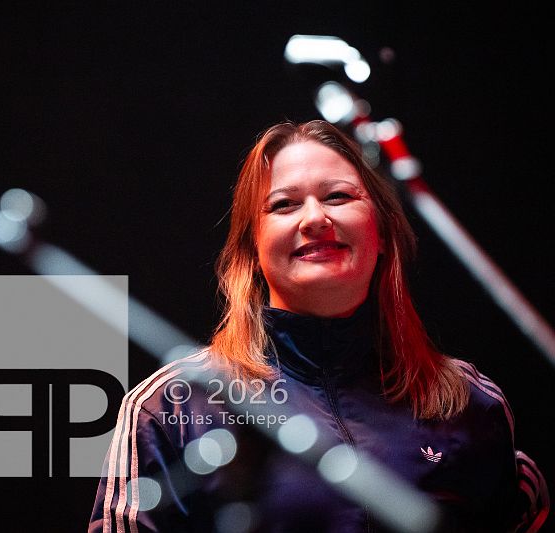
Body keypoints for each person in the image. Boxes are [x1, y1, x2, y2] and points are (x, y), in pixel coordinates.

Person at [89, 120, 549, 532]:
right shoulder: (172, 405)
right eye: (284, 204)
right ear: (252, 250)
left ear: (382, 232)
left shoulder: (469, 402)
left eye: (338, 196)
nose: (315, 219)